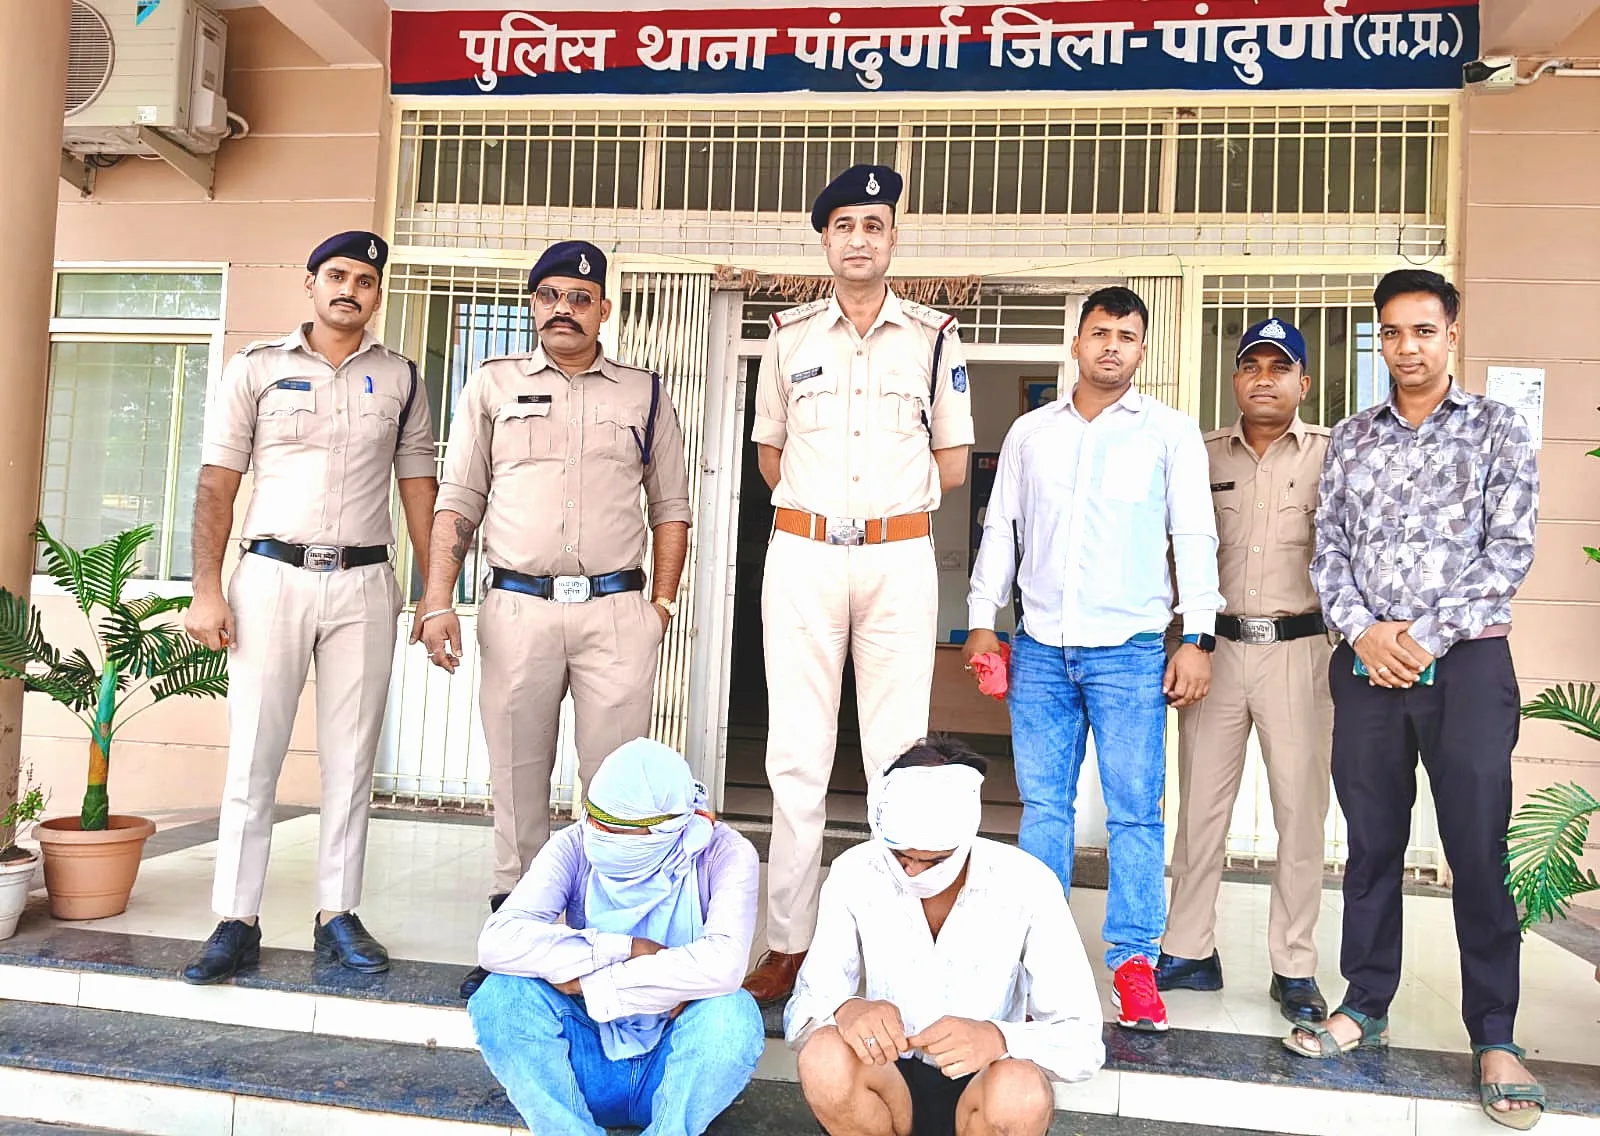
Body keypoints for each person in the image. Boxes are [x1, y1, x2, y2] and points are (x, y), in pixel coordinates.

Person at [1297, 270, 1543, 1131]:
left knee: (1477, 850)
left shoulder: (1498, 429)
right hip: (1367, 669)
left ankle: (1496, 1034)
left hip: (1466, 666)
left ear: (1452, 334)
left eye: (1424, 331)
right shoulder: (1352, 437)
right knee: (1371, 847)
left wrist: (1424, 638)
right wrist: (1365, 633)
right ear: (1380, 339)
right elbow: (1326, 546)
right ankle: (1364, 1003)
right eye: (1394, 332)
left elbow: (1509, 550)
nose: (1408, 347)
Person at [419, 240, 693, 1000]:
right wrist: (437, 599)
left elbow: (672, 506)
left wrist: (661, 606)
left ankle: (604, 934)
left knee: (614, 785)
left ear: (604, 309)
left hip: (616, 611)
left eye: (579, 297)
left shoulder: (643, 393)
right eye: (548, 296)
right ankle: (517, 930)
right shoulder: (492, 384)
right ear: (532, 305)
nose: (562, 309)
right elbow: (458, 499)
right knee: (517, 777)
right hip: (518, 609)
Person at [744, 165, 975, 1005]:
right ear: (825, 240)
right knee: (796, 757)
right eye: (844, 225)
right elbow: (770, 455)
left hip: (896, 560)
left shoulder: (935, 337)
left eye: (874, 225)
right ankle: (789, 944)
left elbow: (953, 463)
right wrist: (827, 516)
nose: (859, 240)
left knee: (897, 759)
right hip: (805, 557)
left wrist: (878, 515)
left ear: (893, 239)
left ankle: (889, 944)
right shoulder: (788, 335)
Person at [181, 230, 437, 982]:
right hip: (271, 577)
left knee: (351, 759)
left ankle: (338, 914)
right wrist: (206, 588)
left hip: (364, 582)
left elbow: (418, 489)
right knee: (254, 754)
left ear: (377, 294)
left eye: (364, 280)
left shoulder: (400, 378)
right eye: (337, 275)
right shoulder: (257, 368)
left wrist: (435, 592)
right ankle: (236, 918)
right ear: (311, 284)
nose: (349, 289)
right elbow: (217, 482)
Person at [964, 286, 1221, 1032]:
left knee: (1136, 813)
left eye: (1127, 336)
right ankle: (1035, 954)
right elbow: (1002, 528)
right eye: (1100, 332)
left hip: (1131, 652)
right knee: (1045, 808)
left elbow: (1194, 535)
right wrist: (982, 621)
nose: (1112, 346)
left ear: (1142, 350)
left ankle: (1134, 963)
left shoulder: (1169, 434)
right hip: (1041, 648)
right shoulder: (1031, 433)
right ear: (1076, 343)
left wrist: (1198, 637)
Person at [786, 736, 1104, 1136]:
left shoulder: (1027, 883)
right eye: (901, 857)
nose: (913, 872)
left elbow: (1082, 1040)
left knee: (1021, 1092)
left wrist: (997, 1037)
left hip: (981, 1084)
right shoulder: (855, 871)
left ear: (966, 837)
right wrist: (847, 1009)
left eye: (934, 860)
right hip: (888, 1080)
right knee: (823, 1058)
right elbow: (803, 1008)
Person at [1158, 318, 1333, 1026]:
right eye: (1252, 366)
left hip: (1301, 650)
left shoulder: (1333, 455)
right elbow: (1173, 553)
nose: (1264, 379)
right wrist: (1179, 640)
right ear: (1235, 379)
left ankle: (1294, 963)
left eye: (1279, 367)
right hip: (1216, 651)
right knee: (1200, 808)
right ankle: (1189, 948)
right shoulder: (1198, 455)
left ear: (1303, 383)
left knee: (1300, 812)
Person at [470, 737, 765, 1136]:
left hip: (672, 1064)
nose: (598, 833)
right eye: (594, 817)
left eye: (618, 829)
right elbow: (497, 942)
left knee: (733, 1014)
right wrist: (626, 948)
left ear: (670, 827)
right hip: (585, 1059)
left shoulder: (723, 853)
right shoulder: (575, 844)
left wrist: (583, 982)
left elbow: (724, 965)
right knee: (499, 997)